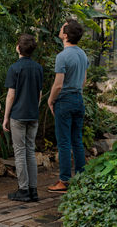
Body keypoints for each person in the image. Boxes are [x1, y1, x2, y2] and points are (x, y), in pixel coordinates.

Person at [47, 18, 89, 192]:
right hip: (79, 98)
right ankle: (81, 178)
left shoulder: (62, 56)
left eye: (62, 27)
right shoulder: (83, 54)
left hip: (64, 101)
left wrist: (50, 100)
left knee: (64, 142)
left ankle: (64, 180)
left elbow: (58, 84)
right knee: (77, 140)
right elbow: (84, 80)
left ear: (65, 35)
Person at [3, 34, 43, 202]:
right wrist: (34, 108)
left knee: (19, 152)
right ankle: (33, 190)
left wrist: (5, 117)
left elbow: (10, 96)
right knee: (30, 151)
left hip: (18, 115)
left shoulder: (14, 68)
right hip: (33, 115)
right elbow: (39, 94)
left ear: (18, 48)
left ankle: (23, 190)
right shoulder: (38, 68)